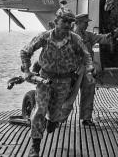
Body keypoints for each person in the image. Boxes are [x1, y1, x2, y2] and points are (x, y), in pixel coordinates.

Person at [20, 8, 94, 157]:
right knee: (40, 109)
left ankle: (52, 121)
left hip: (65, 81)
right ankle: (35, 146)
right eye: (64, 21)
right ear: (56, 22)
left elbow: (86, 56)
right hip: (45, 80)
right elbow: (25, 51)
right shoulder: (45, 37)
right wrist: (27, 70)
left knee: (55, 114)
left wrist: (90, 70)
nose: (67, 24)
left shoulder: (74, 39)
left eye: (70, 22)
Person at [65, 13, 111, 126]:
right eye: (85, 23)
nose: (87, 25)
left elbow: (101, 38)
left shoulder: (87, 35)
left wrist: (112, 35)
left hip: (86, 69)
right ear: (77, 23)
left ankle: (86, 118)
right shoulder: (69, 35)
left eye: (87, 23)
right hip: (73, 69)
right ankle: (57, 116)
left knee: (89, 91)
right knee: (66, 93)